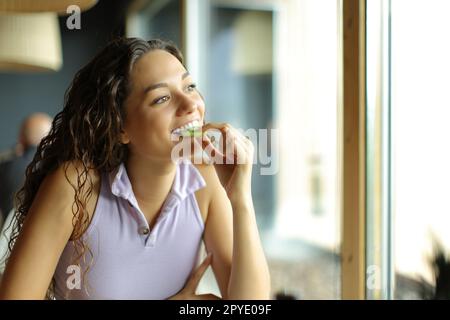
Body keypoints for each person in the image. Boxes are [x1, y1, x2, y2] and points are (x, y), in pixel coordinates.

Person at [0, 38, 271, 300]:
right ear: (120, 127)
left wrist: (241, 200)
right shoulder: (74, 186)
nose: (191, 104)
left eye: (189, 86)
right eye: (161, 98)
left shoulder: (205, 182)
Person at [0, 113, 52, 228]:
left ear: (21, 138)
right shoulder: (57, 170)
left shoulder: (5, 166)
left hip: (7, 239)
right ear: (50, 140)